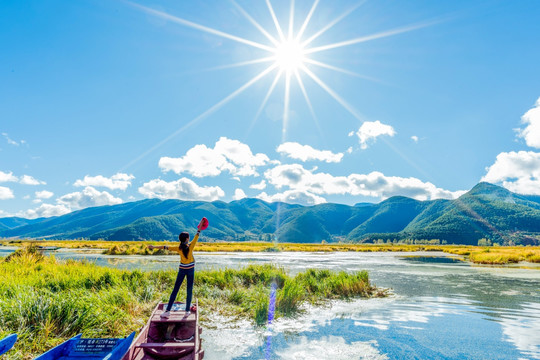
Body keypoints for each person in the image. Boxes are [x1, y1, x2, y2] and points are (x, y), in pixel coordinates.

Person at [148, 217, 208, 318]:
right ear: (187, 239)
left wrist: (153, 247)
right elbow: (198, 233)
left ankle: (167, 311)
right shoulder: (191, 246)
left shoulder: (178, 248)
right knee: (189, 289)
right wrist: (202, 223)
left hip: (182, 269)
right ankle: (187, 311)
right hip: (190, 269)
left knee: (175, 289)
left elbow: (165, 247)